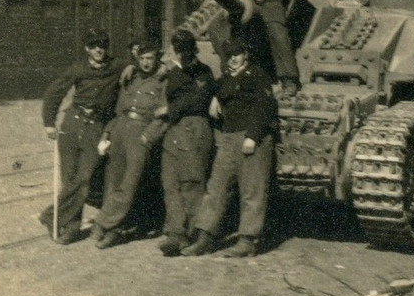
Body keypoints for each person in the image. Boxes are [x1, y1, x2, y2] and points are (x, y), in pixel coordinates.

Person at [182, 39, 279, 258]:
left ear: (245, 54)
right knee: (216, 188)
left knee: (251, 191)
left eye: (237, 54)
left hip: (252, 138)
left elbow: (266, 106)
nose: (233, 58)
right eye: (229, 55)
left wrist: (253, 136)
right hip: (229, 138)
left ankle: (247, 241)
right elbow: (207, 86)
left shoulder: (257, 75)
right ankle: (205, 237)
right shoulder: (226, 78)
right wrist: (215, 97)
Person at [40, 29, 122, 245]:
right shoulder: (78, 69)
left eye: (102, 45)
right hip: (72, 124)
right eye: (94, 45)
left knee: (84, 179)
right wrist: (49, 123)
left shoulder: (117, 67)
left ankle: (51, 216)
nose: (98, 50)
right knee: (69, 180)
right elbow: (54, 92)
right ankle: (71, 228)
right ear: (87, 48)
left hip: (96, 127)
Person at [90, 38, 169, 249]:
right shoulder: (130, 77)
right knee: (112, 180)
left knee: (129, 183)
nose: (146, 63)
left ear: (157, 60)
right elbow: (118, 111)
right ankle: (112, 229)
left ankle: (103, 223)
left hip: (141, 133)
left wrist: (148, 137)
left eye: (150, 58)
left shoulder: (163, 81)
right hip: (120, 130)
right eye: (142, 58)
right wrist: (107, 133)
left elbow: (163, 115)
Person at [156, 29, 217, 257]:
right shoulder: (172, 72)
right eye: (178, 49)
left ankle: (193, 234)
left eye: (186, 49)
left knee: (192, 184)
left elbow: (197, 98)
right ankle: (175, 233)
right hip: (173, 131)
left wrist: (170, 109)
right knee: (170, 184)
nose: (182, 54)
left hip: (194, 128)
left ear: (194, 49)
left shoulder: (203, 72)